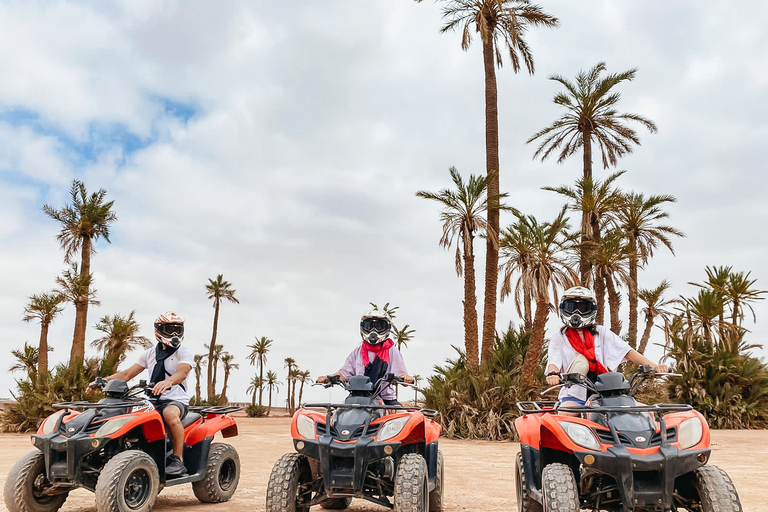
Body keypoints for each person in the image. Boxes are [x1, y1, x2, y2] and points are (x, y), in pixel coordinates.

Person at [90, 311, 194, 476]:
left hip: (175, 400)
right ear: (158, 330)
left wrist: (168, 382)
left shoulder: (184, 352)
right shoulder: (149, 354)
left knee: (170, 415)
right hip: (151, 400)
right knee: (126, 416)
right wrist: (103, 380)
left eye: (177, 329)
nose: (174, 334)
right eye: (169, 329)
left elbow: (182, 372)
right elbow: (126, 375)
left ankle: (177, 459)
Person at [545, 287, 668, 410]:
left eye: (583, 308)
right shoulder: (559, 338)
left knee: (647, 412)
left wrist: (655, 367)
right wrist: (553, 374)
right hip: (575, 394)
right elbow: (553, 362)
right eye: (571, 307)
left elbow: (627, 351)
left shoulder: (601, 332)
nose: (576, 313)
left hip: (606, 392)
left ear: (591, 309)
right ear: (563, 308)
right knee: (565, 414)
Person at [317, 308, 413, 405]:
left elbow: (402, 375)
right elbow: (343, 374)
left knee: (404, 418)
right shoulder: (357, 352)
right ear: (363, 327)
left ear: (386, 328)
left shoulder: (392, 351)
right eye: (369, 326)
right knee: (336, 416)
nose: (373, 331)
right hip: (357, 398)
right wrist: (329, 378)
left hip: (385, 400)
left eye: (379, 326)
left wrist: (406, 378)